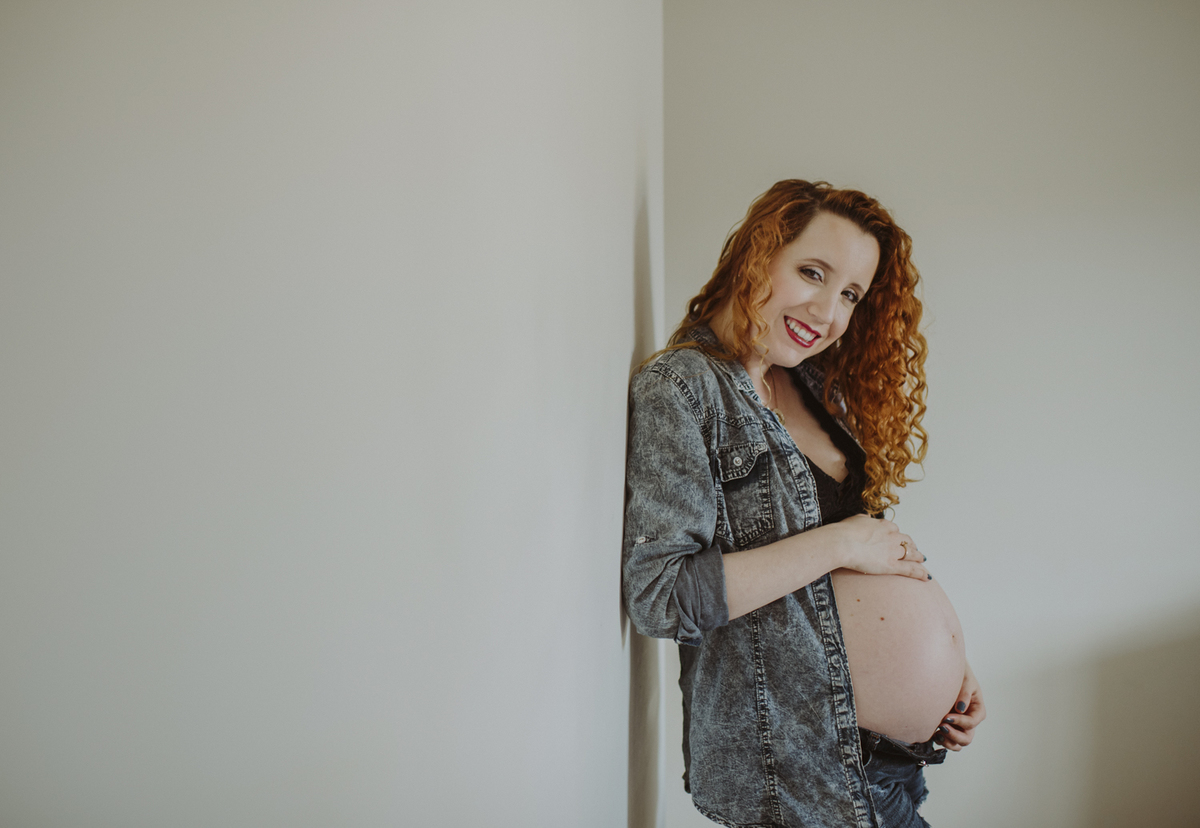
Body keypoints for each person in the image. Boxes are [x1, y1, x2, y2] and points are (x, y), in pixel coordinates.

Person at [622, 180, 985, 828]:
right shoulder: (682, 389)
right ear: (757, 256)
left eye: (850, 294)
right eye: (812, 273)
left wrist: (953, 669)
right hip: (807, 780)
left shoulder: (813, 384)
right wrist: (840, 543)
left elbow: (860, 563)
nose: (827, 311)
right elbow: (662, 595)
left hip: (890, 766)